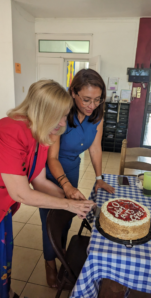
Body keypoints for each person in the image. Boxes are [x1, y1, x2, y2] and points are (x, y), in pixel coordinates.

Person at [0, 80, 94, 298]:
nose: (64, 122)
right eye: (62, 115)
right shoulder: (9, 132)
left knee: (1, 260)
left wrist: (70, 194)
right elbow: (21, 193)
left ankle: (3, 293)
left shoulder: (40, 134)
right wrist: (69, 204)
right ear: (44, 111)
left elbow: (39, 182)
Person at [39, 69, 115, 288]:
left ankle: (61, 251)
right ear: (73, 92)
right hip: (53, 172)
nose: (92, 105)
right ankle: (50, 263)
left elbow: (95, 148)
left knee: (68, 216)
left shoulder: (96, 114)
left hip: (72, 167)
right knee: (51, 219)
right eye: (86, 99)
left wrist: (99, 177)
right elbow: (52, 157)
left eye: (97, 99)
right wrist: (66, 185)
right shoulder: (61, 114)